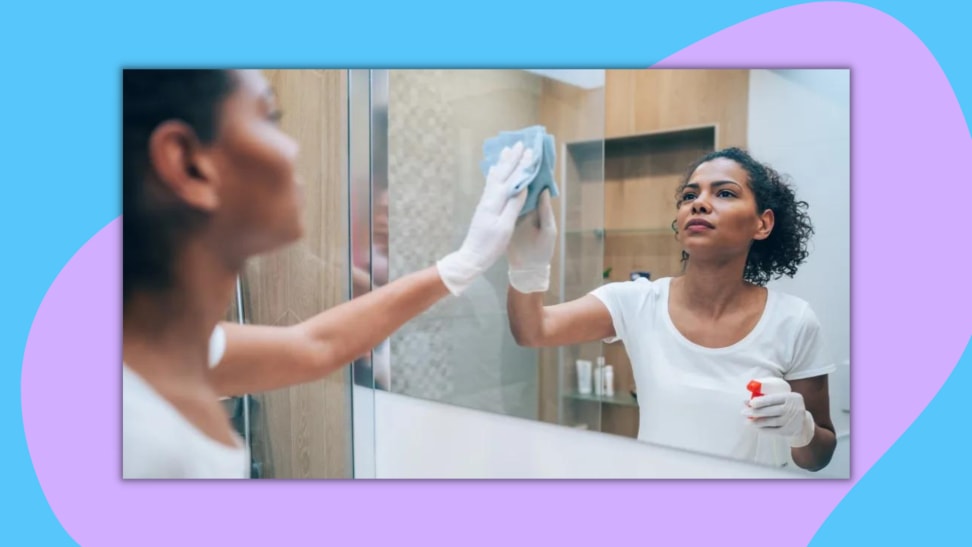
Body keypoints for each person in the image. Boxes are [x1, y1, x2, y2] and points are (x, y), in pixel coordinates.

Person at [122, 69, 533, 479]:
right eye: (270, 118)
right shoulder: (134, 437)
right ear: (188, 163)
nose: (294, 146)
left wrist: (462, 264)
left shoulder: (174, 348)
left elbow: (315, 345)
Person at [505, 147, 837, 471]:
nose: (700, 204)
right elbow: (533, 329)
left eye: (724, 193)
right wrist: (527, 263)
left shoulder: (793, 321)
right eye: (690, 196)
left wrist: (802, 429)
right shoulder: (636, 302)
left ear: (762, 224)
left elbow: (818, 457)